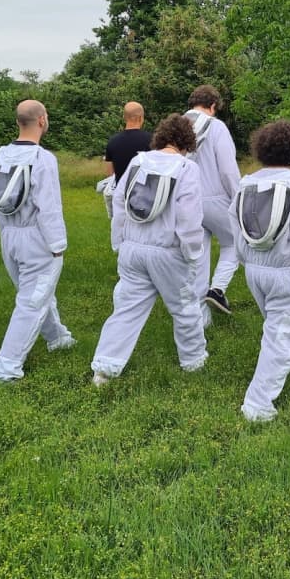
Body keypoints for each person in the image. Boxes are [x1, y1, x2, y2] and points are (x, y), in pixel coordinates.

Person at [90, 114, 208, 384]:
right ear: (187, 142)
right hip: (167, 251)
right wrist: (192, 252)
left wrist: (119, 241)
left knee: (126, 308)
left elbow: (119, 201)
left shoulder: (138, 161)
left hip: (132, 247)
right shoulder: (187, 168)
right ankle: (193, 361)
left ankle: (104, 368)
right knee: (184, 307)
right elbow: (189, 216)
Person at [231, 120, 290, 422]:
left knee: (283, 325)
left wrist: (247, 262)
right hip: (287, 272)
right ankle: (257, 406)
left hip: (255, 270)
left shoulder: (247, 184)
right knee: (280, 336)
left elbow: (236, 231)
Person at [0, 100, 76, 382]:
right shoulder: (42, 159)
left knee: (36, 292)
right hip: (35, 237)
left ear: (18, 122)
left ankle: (58, 337)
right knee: (32, 301)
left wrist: (5, 232)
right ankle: (6, 366)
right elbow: (49, 207)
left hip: (9, 235)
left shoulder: (0, 156)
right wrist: (57, 245)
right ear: (42, 120)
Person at [183, 84, 241, 319]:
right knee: (235, 243)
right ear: (213, 105)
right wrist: (238, 197)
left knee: (198, 257)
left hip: (187, 200)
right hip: (216, 199)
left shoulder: (177, 125)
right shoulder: (216, 127)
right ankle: (217, 289)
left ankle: (200, 317)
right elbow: (227, 169)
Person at [98, 102, 153, 219]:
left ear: (124, 117)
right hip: (145, 197)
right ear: (141, 118)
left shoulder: (112, 141)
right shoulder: (151, 140)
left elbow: (109, 173)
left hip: (121, 196)